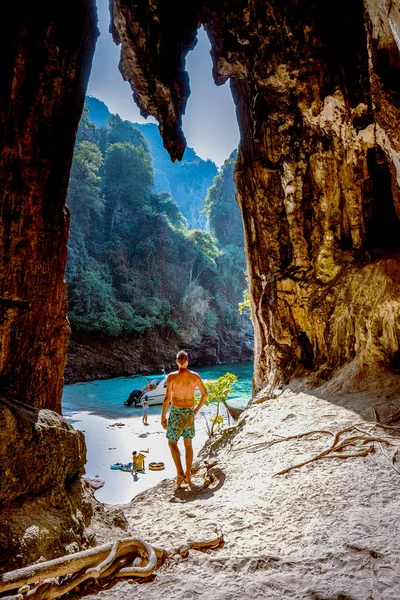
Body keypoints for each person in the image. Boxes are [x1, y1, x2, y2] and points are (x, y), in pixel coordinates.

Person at [161, 350, 208, 490]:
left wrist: (163, 417)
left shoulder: (171, 377)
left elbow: (167, 398)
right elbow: (204, 395)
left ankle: (180, 473)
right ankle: (188, 475)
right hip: (189, 413)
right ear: (187, 361)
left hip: (176, 413)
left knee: (172, 443)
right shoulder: (195, 376)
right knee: (188, 444)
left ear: (176, 361)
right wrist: (194, 411)